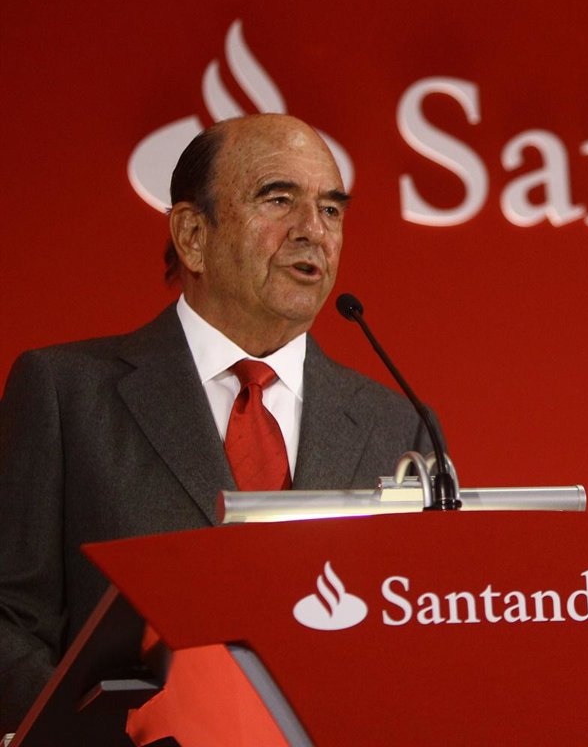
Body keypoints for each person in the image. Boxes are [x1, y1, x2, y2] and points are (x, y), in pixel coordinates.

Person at [0, 114, 430, 732]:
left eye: (331, 210)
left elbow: (418, 638)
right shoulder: (67, 394)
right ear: (192, 234)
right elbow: (11, 620)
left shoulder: (398, 426)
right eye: (278, 200)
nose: (313, 230)